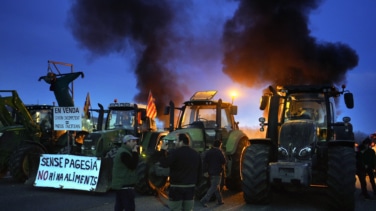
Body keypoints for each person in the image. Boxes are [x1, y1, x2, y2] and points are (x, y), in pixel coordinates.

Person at [159, 133, 202, 211]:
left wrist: (163, 150)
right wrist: (195, 184)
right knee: (188, 209)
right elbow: (200, 171)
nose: (175, 143)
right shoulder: (196, 154)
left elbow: (164, 164)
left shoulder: (175, 153)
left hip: (176, 187)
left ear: (181, 142)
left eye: (177, 141)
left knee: (175, 208)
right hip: (190, 187)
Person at [111, 135, 139, 211]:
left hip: (121, 185)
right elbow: (132, 165)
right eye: (133, 141)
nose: (135, 143)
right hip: (125, 185)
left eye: (136, 141)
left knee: (119, 207)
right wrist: (135, 153)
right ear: (127, 142)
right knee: (129, 207)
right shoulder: (124, 153)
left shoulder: (123, 151)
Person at [200, 140, 226, 207]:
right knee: (214, 187)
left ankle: (220, 201)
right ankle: (204, 200)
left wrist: (205, 171)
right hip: (217, 172)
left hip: (210, 172)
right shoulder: (219, 152)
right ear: (220, 145)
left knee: (216, 187)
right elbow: (224, 161)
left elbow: (205, 162)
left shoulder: (208, 152)